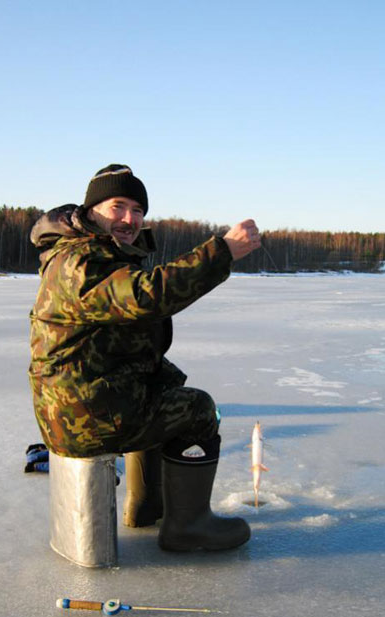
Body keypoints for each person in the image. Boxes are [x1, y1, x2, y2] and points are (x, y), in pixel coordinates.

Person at [28, 164, 261, 552]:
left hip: (81, 404)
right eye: (118, 206)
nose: (129, 219)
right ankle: (189, 527)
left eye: (138, 210)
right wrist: (221, 252)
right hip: (82, 416)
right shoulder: (81, 262)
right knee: (199, 409)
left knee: (163, 386)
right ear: (92, 210)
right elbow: (144, 296)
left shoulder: (88, 253)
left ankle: (145, 507)